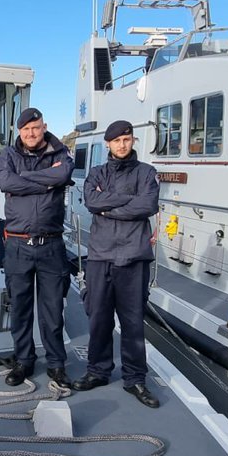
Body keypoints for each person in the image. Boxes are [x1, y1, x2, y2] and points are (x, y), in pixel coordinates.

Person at [72, 120, 161, 408]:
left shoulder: (147, 173)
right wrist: (125, 202)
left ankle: (135, 378)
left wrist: (109, 206)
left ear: (133, 141)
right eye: (116, 141)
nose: (122, 145)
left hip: (134, 257)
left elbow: (147, 206)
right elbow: (91, 201)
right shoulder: (96, 173)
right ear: (107, 144)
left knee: (133, 322)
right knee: (99, 318)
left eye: (127, 139)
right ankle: (98, 371)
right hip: (100, 255)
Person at [0, 108, 74, 388]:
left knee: (53, 310)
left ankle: (56, 364)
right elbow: (6, 181)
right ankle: (24, 360)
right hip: (17, 244)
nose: (31, 133)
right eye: (26, 129)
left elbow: (62, 175)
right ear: (19, 131)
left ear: (44, 127)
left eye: (36, 128)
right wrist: (46, 181)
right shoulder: (8, 156)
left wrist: (24, 182)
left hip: (51, 244)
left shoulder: (61, 153)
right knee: (20, 309)